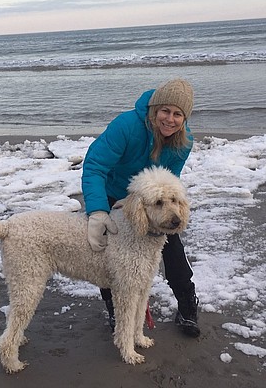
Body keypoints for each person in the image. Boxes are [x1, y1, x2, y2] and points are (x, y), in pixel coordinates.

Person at [81, 78, 201, 337]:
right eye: (165, 111)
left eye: (178, 114)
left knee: (173, 254)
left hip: (154, 202)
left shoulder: (184, 141)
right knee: (107, 254)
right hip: (111, 194)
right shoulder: (126, 126)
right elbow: (94, 166)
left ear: (185, 118)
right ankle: (116, 309)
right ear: (154, 109)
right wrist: (98, 210)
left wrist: (168, 210)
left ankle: (187, 304)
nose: (170, 119)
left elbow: (170, 180)